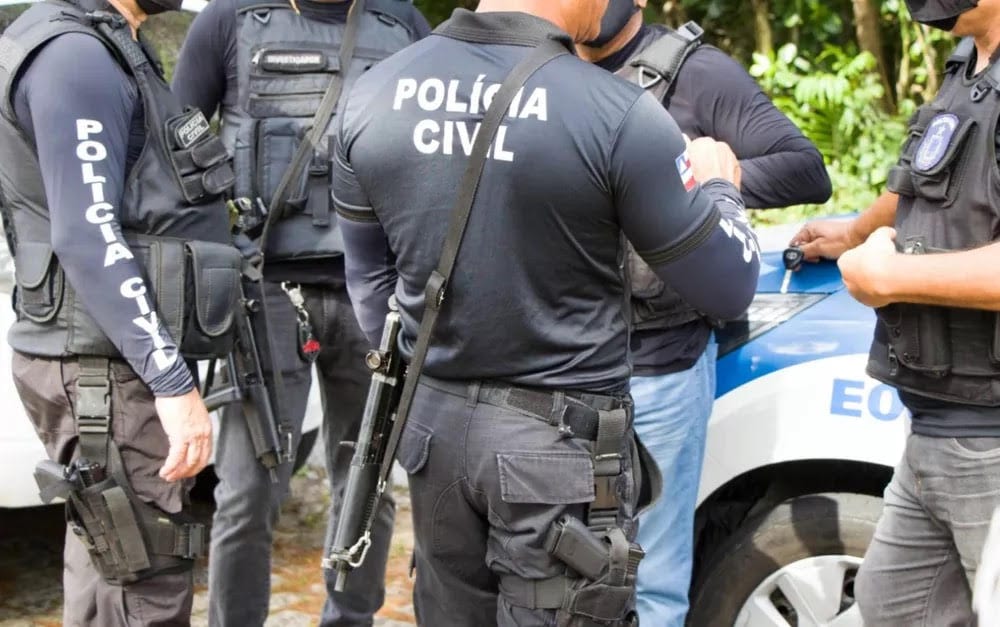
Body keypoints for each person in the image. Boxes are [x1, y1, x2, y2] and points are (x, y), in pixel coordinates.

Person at [331, 0, 762, 623]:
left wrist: (429, 382)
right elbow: (729, 284)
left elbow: (371, 282)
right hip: (557, 452)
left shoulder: (373, 93)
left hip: (435, 431)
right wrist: (720, 186)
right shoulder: (617, 114)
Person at [172, 0, 429, 625]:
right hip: (261, 293)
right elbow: (174, 148)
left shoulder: (403, 24)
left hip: (373, 293)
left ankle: (351, 618)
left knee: (365, 484)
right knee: (246, 492)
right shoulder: (228, 19)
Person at [573, 2, 831, 623]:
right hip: (559, 364)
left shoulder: (697, 73)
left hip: (661, 363)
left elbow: (805, 170)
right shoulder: (542, 67)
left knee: (651, 573)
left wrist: (696, 184)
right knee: (558, 568)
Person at [0, 0, 243, 621]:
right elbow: (86, 232)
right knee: (142, 576)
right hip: (107, 369)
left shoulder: (99, 43)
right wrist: (168, 377)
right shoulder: (75, 57)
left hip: (102, 357)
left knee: (109, 563)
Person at [793, 0, 1000, 622]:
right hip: (936, 423)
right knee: (892, 609)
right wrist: (853, 234)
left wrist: (891, 276)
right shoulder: (969, 64)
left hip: (989, 437)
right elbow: (927, 180)